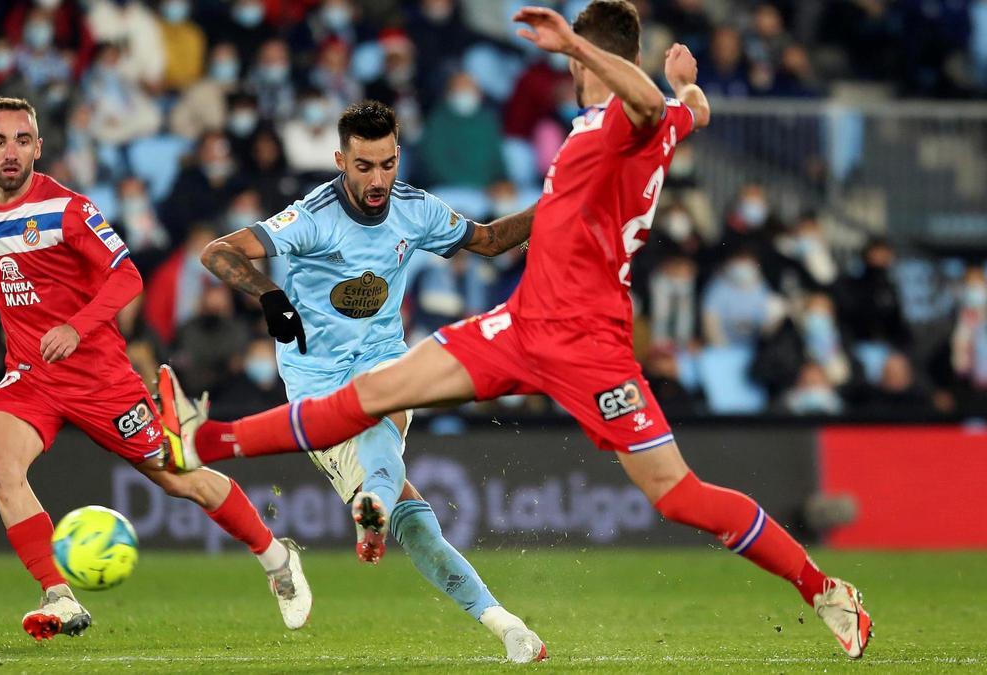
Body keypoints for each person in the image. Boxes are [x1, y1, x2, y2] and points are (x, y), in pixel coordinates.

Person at [169, 4, 873, 660]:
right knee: (372, 395)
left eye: (573, 59)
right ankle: (209, 438)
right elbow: (685, 111)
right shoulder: (648, 125)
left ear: (587, 58)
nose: (565, 69)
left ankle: (826, 591)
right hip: (521, 323)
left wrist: (600, 55)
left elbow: (654, 106)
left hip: (592, 347)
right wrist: (690, 90)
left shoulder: (623, 120)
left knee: (679, 495)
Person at [196, 100, 545, 664]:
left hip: (381, 356)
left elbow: (488, 240)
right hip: (316, 383)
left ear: (398, 157)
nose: (377, 179)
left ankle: (497, 619)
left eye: (387, 164)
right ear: (341, 160)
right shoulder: (312, 216)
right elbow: (219, 251)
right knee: (418, 526)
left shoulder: (414, 209)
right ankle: (405, 533)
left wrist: (556, 203)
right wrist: (270, 294)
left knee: (389, 407)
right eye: (364, 167)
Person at [0, 97, 310, 641]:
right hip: (31, 374)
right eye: (0, 141)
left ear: (38, 148)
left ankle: (274, 554)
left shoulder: (69, 209)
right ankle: (59, 595)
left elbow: (127, 277)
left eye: (22, 140)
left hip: (100, 378)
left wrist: (77, 326)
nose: (11, 152)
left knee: (178, 478)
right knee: (1, 468)